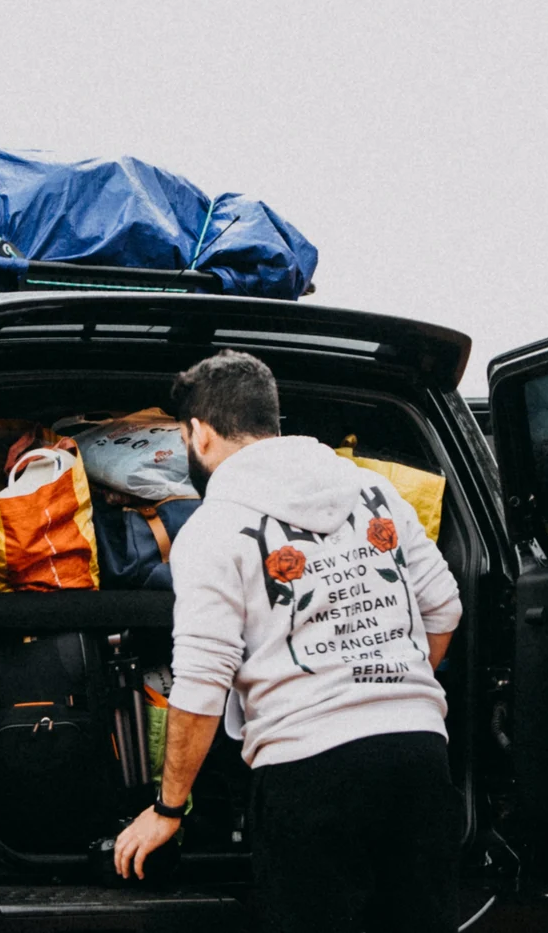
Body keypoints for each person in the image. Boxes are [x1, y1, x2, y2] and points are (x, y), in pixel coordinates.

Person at [113, 350, 465, 933]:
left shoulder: (213, 527)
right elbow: (445, 606)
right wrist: (390, 687)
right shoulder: (372, 491)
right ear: (271, 419)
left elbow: (202, 684)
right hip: (420, 761)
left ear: (199, 433)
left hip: (309, 778)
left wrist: (167, 808)